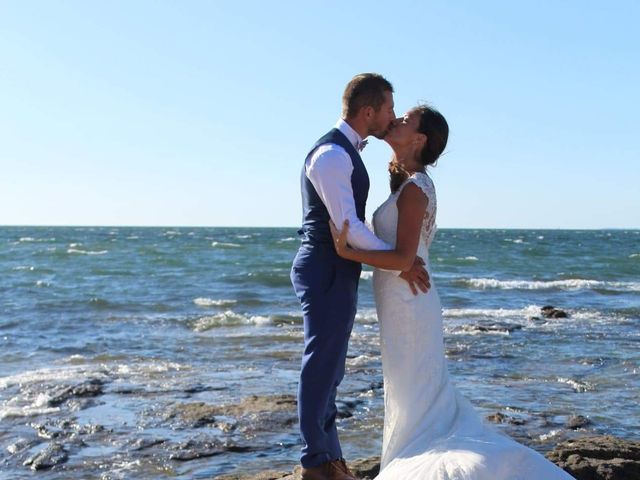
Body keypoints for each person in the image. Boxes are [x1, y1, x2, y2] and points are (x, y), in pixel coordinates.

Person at [329, 105, 575, 479]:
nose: (396, 121)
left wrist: (348, 251)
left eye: (406, 120)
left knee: (414, 389)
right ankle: (408, 451)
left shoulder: (415, 189)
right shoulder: (407, 183)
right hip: (401, 300)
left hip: (409, 302)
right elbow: (402, 254)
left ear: (419, 139)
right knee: (408, 388)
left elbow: (403, 257)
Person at [290, 73, 430, 480]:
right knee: (321, 364)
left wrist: (398, 258)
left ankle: (329, 457)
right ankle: (315, 462)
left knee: (331, 367)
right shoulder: (332, 156)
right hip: (325, 266)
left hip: (338, 267)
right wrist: (401, 260)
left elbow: (351, 231)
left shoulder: (347, 152)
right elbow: (349, 226)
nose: (392, 115)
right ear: (369, 111)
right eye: (389, 108)